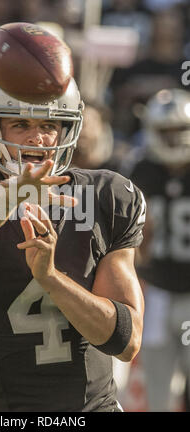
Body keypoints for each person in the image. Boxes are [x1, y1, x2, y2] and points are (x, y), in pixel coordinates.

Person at [0, 64, 146, 411]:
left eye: (48, 125)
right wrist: (15, 193)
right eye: (21, 124)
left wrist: (51, 279)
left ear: (67, 129)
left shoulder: (106, 194)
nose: (36, 138)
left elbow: (126, 341)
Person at [127, 88, 190, 411]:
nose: (173, 139)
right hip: (157, 292)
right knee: (158, 391)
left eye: (179, 130)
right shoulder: (143, 170)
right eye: (166, 132)